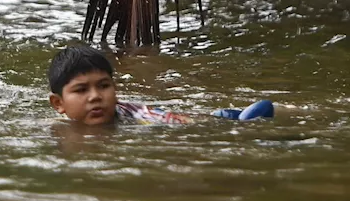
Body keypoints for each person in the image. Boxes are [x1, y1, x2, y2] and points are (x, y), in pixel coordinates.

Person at [48, 45, 274, 126]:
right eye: (81, 90)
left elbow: (182, 123)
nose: (95, 96)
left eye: (104, 86)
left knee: (253, 114)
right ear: (59, 103)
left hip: (181, 117)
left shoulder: (140, 117)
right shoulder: (55, 126)